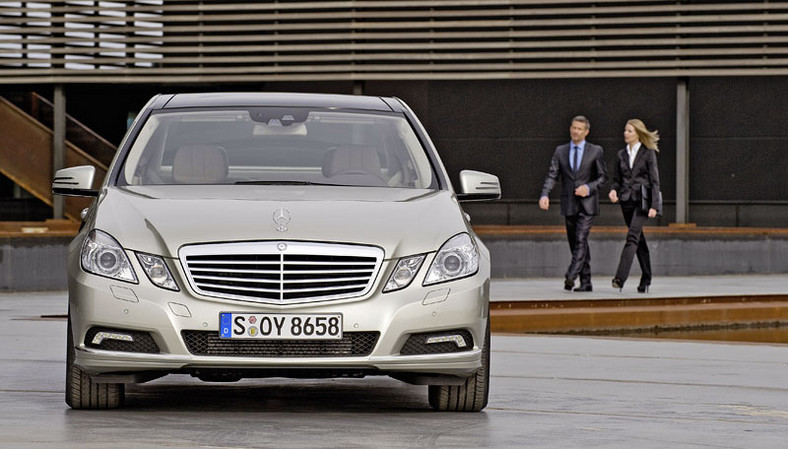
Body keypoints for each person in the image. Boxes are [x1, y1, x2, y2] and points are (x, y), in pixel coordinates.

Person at [539, 116, 608, 292]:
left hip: (588, 204)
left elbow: (603, 177)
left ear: (586, 132)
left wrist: (588, 187)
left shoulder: (595, 151)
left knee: (580, 239)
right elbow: (552, 174)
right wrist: (545, 194)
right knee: (575, 241)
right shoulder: (560, 151)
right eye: (573, 127)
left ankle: (571, 275)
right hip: (569, 203)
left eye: (579, 129)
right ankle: (586, 282)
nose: (575, 131)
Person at [608, 118, 662, 293]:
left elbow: (655, 182)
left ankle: (620, 277)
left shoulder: (648, 153)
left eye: (629, 131)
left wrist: (654, 205)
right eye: (625, 130)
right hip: (626, 202)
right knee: (639, 239)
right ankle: (646, 277)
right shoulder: (620, 155)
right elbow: (617, 180)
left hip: (642, 203)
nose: (626, 133)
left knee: (632, 237)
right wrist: (613, 191)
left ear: (638, 133)